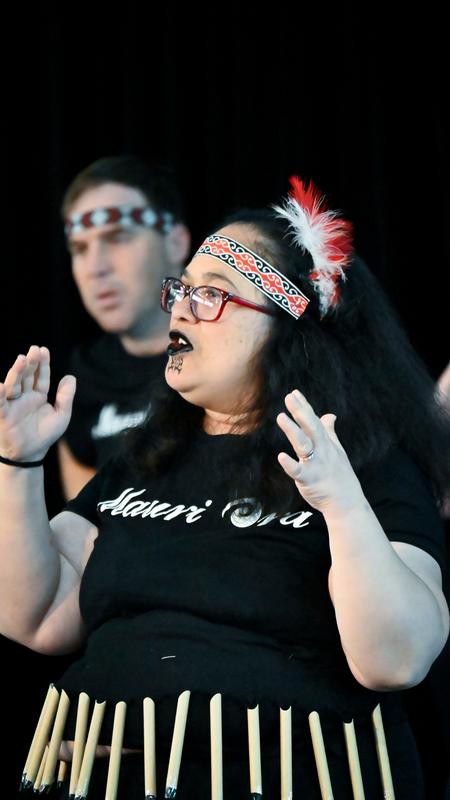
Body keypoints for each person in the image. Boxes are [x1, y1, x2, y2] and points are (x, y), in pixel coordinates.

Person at [1, 177, 449, 799]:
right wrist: (18, 467)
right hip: (101, 780)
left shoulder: (365, 466)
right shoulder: (145, 457)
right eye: (181, 289)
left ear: (289, 325)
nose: (179, 308)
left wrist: (343, 507)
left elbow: (396, 660)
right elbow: (35, 615)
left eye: (212, 293)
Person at [58, 155, 191, 498]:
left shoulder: (232, 356)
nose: (95, 267)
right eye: (80, 248)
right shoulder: (80, 379)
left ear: (176, 242)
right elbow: (81, 533)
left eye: (117, 238)